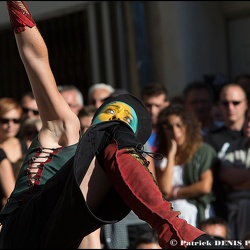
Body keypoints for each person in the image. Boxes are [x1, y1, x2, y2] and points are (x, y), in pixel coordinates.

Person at [0, 2, 239, 249]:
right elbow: (36, 59)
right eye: (111, 112)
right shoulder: (62, 130)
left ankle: (175, 231)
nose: (117, 119)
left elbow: (90, 238)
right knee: (111, 136)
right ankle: (175, 231)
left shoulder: (106, 176)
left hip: (57, 239)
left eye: (126, 120)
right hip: (20, 228)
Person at [154, 104, 218, 228]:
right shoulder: (161, 157)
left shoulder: (202, 151)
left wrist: (176, 193)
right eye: (169, 127)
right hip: (171, 217)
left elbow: (205, 186)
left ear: (187, 125)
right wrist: (171, 154)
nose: (175, 132)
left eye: (179, 125)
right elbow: (165, 189)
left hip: (195, 214)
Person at [204, 83, 248, 220]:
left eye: (236, 103)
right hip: (223, 211)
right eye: (225, 103)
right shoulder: (209, 139)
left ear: (246, 104)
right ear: (218, 106)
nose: (230, 108)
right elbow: (222, 175)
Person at [219, 107, 250, 240]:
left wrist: (239, 181)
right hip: (235, 212)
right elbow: (225, 174)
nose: (249, 124)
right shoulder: (233, 147)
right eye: (248, 119)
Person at [140, 82, 169, 153]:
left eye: (157, 106)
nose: (153, 111)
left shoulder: (173, 131)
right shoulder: (135, 133)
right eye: (148, 105)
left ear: (166, 105)